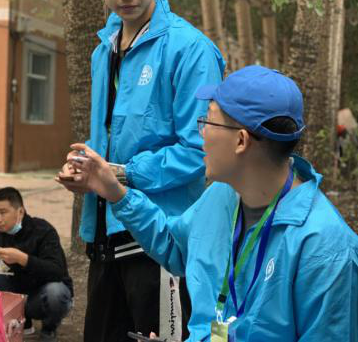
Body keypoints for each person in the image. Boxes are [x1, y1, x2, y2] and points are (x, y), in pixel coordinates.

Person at [66, 65, 358, 341]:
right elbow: (175, 245)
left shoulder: (324, 249)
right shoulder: (222, 195)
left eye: (208, 120)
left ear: (241, 141)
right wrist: (115, 191)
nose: (201, 133)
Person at [56, 0, 224, 341]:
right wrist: (85, 168)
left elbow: (200, 151)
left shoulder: (191, 49)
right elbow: (109, 138)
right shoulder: (104, 50)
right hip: (104, 237)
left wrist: (119, 174)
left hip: (162, 244)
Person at [0, 187, 73, 342]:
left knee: (56, 292)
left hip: (40, 295)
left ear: (20, 212)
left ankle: (49, 329)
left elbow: (57, 271)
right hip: (16, 292)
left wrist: (23, 259)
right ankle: (20, 322)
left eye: (3, 212)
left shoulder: (43, 230)